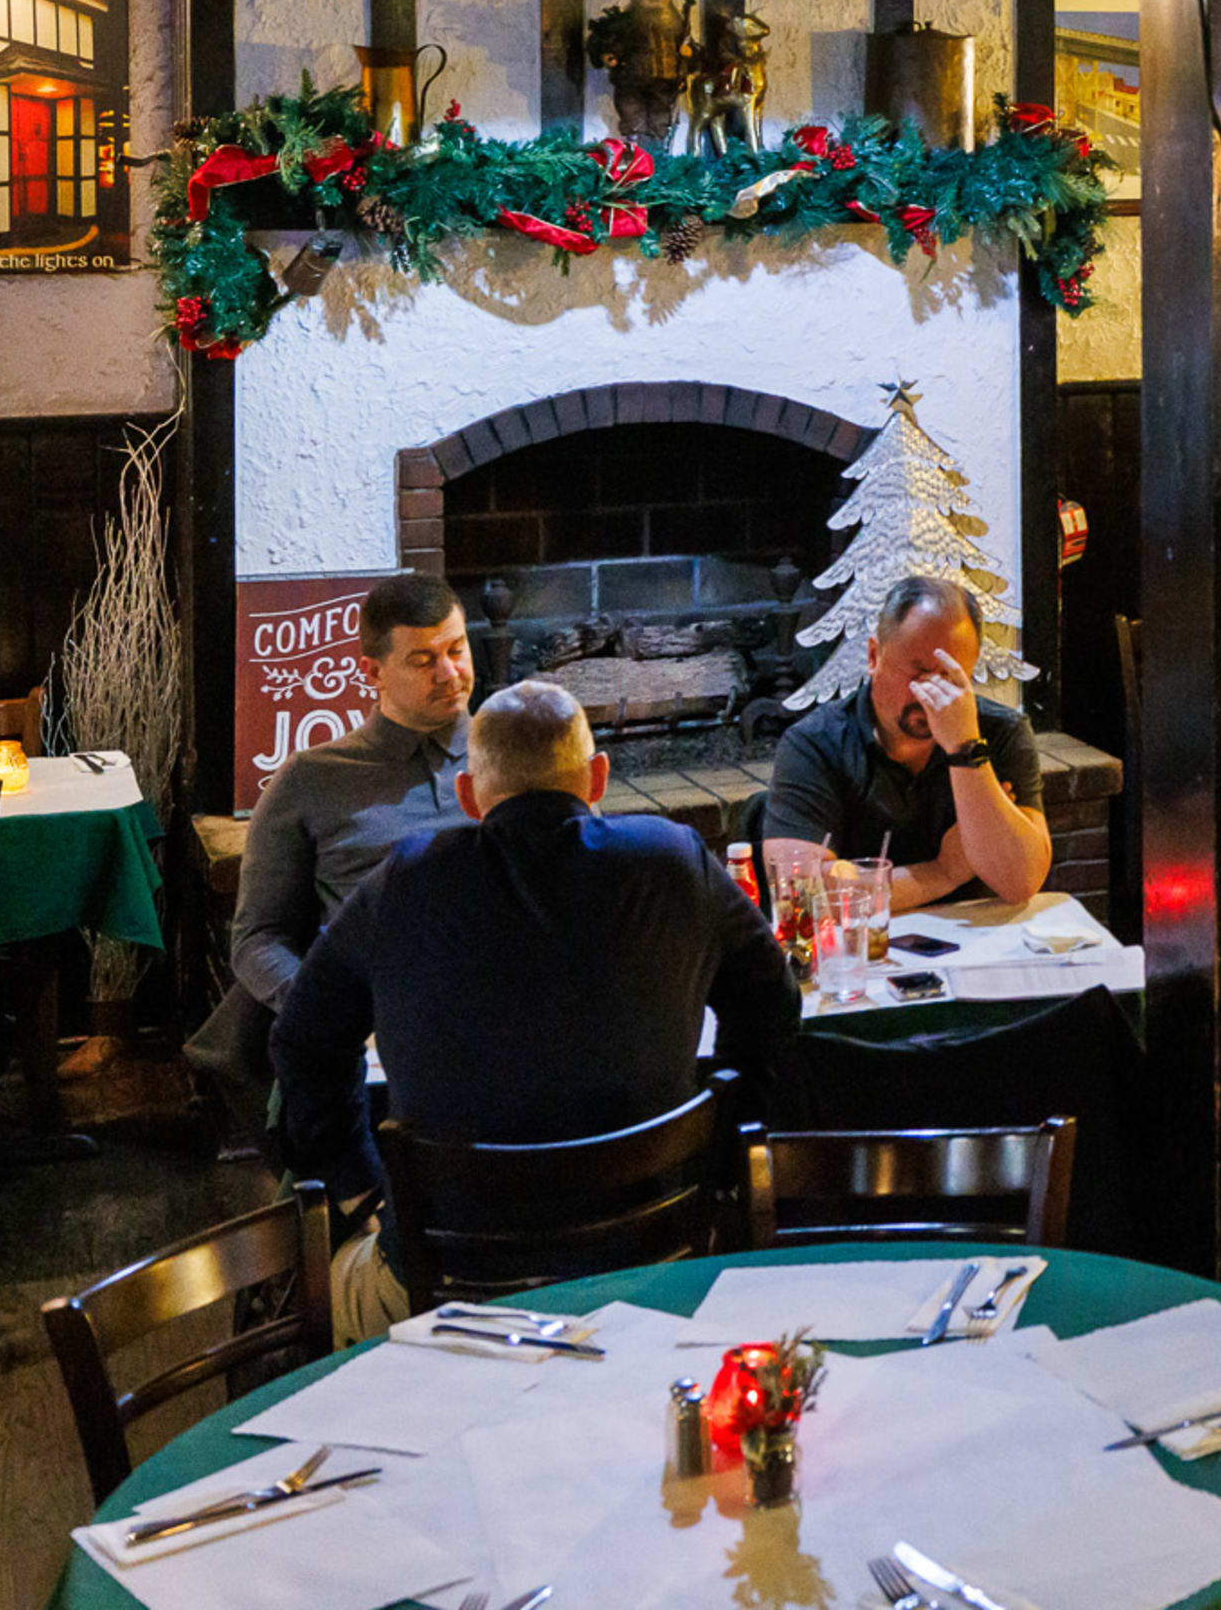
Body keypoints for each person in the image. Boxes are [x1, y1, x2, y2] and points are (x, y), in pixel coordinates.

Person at [273, 679, 799, 1336]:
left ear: (468, 797)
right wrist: (724, 1145)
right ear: (599, 777)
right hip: (658, 1258)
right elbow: (774, 1004)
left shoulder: (402, 879)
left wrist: (361, 1187)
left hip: (451, 1286)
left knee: (315, 1287)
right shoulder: (674, 859)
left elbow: (302, 1038)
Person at [183, 570, 475, 1141]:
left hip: (494, 1013)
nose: (450, 674)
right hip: (375, 1031)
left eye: (457, 650)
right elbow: (256, 938)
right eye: (423, 660)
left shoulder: (508, 756)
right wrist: (328, 1009)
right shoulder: (311, 779)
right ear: (373, 672)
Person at [761, 573, 1051, 903]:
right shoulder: (813, 744)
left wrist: (965, 750)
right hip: (858, 946)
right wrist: (944, 873)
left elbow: (1021, 883)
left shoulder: (1000, 733)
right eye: (918, 672)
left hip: (977, 940)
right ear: (874, 657)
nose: (933, 692)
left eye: (950, 675)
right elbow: (800, 895)